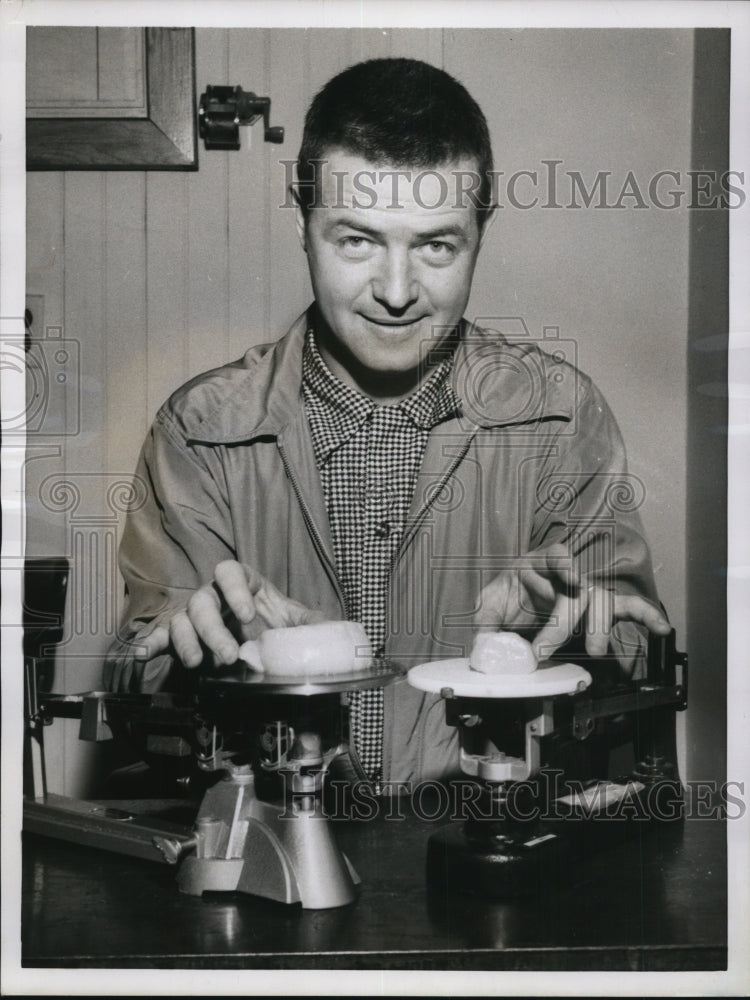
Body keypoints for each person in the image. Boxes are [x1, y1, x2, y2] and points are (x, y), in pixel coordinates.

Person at [104, 58, 669, 789]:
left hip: (483, 856)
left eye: (436, 245)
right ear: (302, 217)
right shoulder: (201, 433)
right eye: (357, 240)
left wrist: (573, 630)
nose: (397, 293)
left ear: (481, 230)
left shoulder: (562, 418)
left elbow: (640, 660)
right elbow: (128, 690)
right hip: (276, 853)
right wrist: (182, 647)